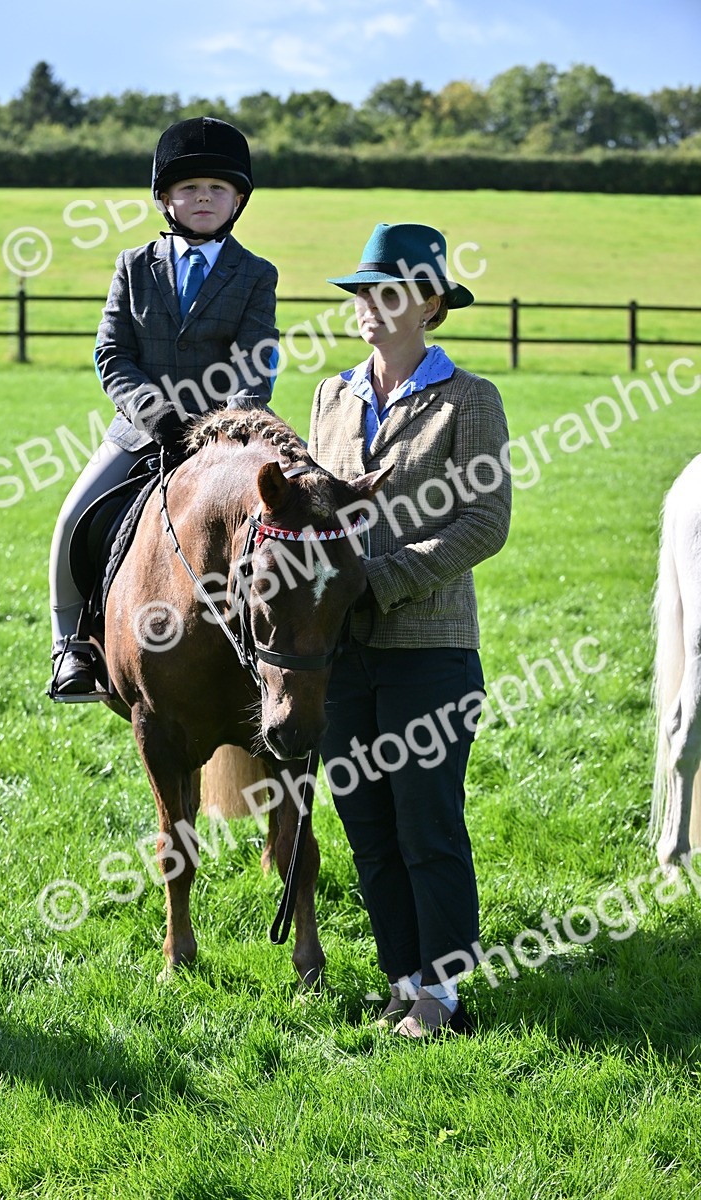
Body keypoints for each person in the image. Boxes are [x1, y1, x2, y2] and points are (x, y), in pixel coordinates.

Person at [308, 223, 512, 1037]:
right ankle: (402, 978)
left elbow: (485, 522)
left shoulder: (471, 400)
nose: (367, 305)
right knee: (366, 822)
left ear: (428, 304)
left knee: (428, 822)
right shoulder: (328, 396)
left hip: (430, 647)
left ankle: (444, 994)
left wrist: (379, 580)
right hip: (337, 654)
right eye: (361, 290)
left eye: (386, 290)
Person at [49, 116, 280, 696]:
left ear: (238, 200)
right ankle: (71, 648)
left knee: (284, 525)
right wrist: (157, 416)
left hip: (222, 443)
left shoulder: (256, 275)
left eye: (217, 190)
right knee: (72, 518)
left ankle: (282, 647)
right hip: (138, 433)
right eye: (189, 189)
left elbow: (255, 363)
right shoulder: (133, 266)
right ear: (164, 198)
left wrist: (220, 434)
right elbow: (112, 352)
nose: (203, 198)